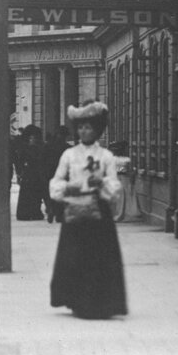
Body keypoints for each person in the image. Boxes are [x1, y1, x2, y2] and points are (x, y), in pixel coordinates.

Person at [47, 101, 127, 320]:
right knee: (76, 256)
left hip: (99, 212)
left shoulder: (106, 156)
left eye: (89, 127)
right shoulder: (69, 155)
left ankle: (102, 303)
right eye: (81, 127)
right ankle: (77, 301)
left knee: (99, 257)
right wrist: (67, 187)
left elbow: (115, 186)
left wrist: (101, 182)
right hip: (75, 208)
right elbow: (55, 181)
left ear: (97, 129)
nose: (84, 131)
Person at [14, 125, 49, 221]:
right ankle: (32, 212)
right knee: (33, 194)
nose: (33, 139)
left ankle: (28, 213)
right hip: (31, 174)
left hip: (31, 174)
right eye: (32, 138)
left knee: (31, 194)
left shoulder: (28, 148)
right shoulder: (34, 148)